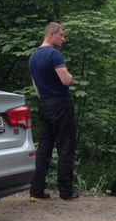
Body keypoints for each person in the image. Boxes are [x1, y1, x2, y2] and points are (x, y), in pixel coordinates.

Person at [28, 22, 80, 201]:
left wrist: (44, 98)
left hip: (44, 104)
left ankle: (36, 190)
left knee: (44, 147)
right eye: (61, 35)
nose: (63, 39)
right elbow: (66, 81)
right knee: (65, 146)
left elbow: (35, 85)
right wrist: (71, 77)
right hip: (60, 104)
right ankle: (66, 191)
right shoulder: (53, 54)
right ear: (51, 33)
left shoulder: (33, 56)